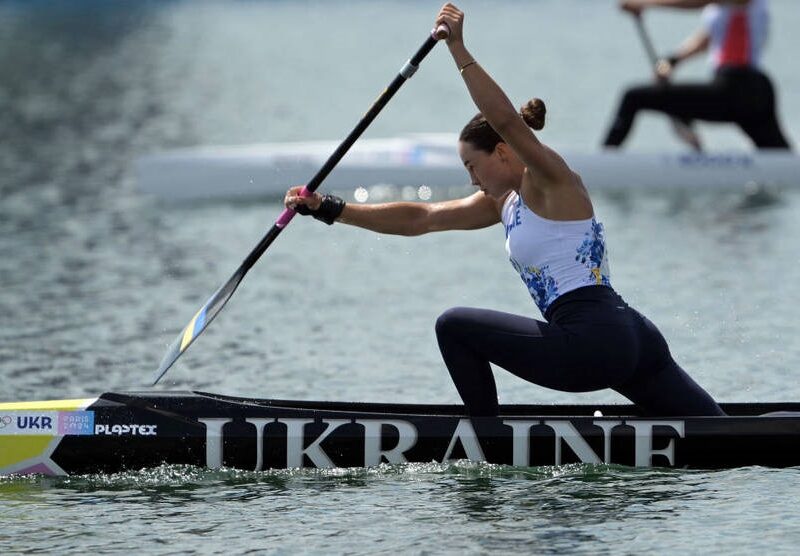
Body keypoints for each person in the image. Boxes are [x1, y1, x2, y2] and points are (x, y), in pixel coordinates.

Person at [285, 3, 725, 417]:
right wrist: (330, 208)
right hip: (632, 339)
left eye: (471, 166)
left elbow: (506, 121)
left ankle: (487, 442)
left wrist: (458, 49)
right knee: (722, 436)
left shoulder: (550, 180)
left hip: (592, 341)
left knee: (453, 326)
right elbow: (422, 218)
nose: (472, 179)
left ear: (500, 152)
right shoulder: (505, 203)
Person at [603, 0, 791, 149]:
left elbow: (699, 1)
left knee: (633, 97)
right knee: (780, 156)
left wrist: (645, 3)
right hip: (750, 91)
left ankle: (603, 161)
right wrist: (672, 61)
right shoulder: (725, 10)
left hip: (740, 86)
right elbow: (707, 38)